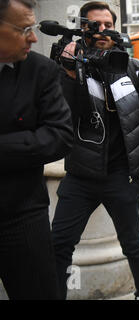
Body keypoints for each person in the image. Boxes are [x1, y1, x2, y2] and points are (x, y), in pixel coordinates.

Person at [51, 1, 139, 300]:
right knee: (59, 244)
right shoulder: (70, 65)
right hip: (80, 174)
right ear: (83, 29)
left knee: (131, 243)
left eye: (107, 25)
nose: (102, 31)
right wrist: (68, 73)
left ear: (115, 28)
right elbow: (61, 114)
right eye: (94, 25)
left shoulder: (134, 67)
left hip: (122, 174)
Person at [0, 0, 73, 299]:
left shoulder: (41, 71)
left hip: (22, 216)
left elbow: (59, 136)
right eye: (24, 29)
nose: (34, 37)